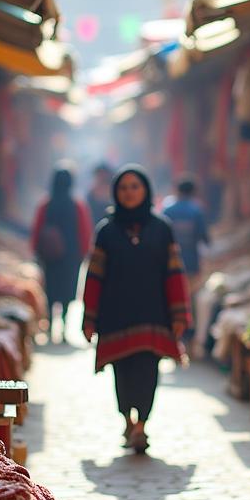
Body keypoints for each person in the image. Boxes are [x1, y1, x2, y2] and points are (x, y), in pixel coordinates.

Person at [82, 166, 190, 454]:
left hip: (153, 312)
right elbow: (94, 277)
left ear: (145, 191)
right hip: (115, 313)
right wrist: (89, 317)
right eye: (124, 188)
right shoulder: (106, 231)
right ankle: (127, 421)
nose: (129, 193)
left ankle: (141, 424)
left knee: (148, 371)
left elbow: (174, 273)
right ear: (117, 193)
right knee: (123, 372)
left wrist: (180, 314)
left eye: (135, 187)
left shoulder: (161, 228)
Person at [31, 166, 93, 343]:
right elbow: (84, 230)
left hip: (49, 257)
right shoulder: (77, 205)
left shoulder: (46, 204)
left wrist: (37, 250)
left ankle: (51, 326)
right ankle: (65, 328)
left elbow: (37, 228)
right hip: (71, 257)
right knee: (67, 291)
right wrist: (84, 253)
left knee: (50, 290)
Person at [162, 175, 210, 279]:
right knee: (190, 287)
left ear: (177, 190)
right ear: (193, 192)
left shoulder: (167, 211)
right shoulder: (196, 210)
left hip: (170, 259)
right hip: (191, 257)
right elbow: (202, 234)